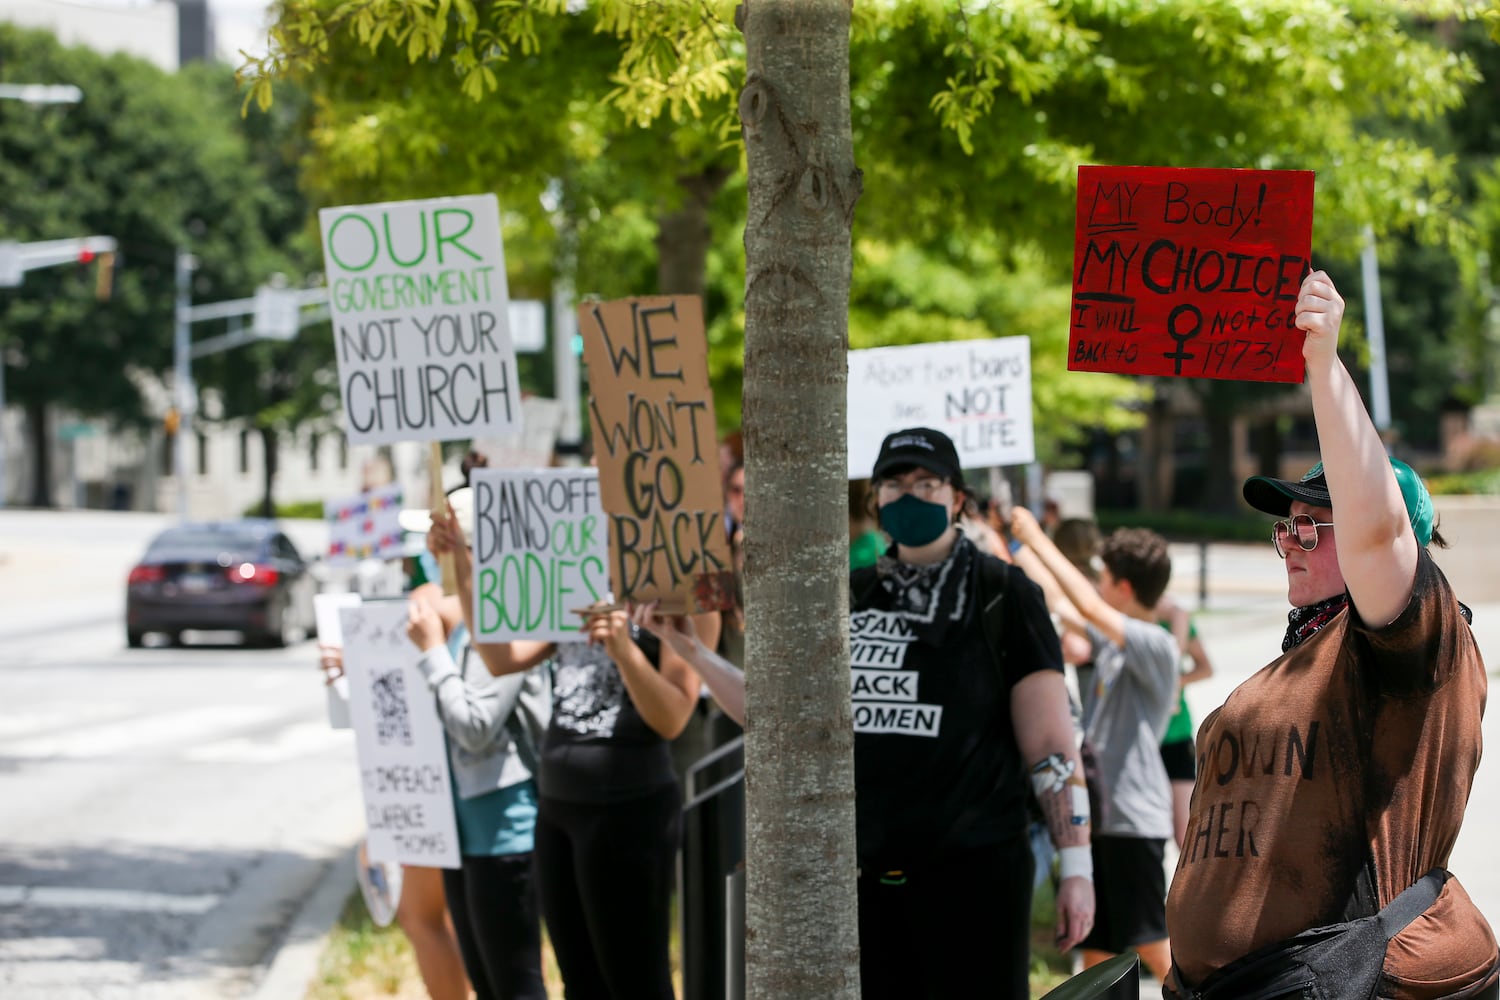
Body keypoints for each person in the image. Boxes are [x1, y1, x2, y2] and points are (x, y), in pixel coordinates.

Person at [1163, 271, 1498, 1000]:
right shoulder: (1309, 654)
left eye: (1313, 524)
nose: (1290, 541)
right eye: (1287, 525)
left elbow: (1377, 532)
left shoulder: (1415, 648)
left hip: (1344, 982)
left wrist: (1322, 363)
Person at [426, 500, 720, 1000]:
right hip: (559, 807)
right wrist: (462, 564)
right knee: (580, 983)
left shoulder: (686, 583)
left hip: (629, 808)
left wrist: (624, 650)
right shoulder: (574, 578)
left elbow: (672, 717)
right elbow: (501, 657)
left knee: (636, 981)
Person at [851, 427, 1092, 999]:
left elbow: (1052, 747)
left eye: (927, 483)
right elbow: (781, 718)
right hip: (867, 882)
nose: (910, 495)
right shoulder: (853, 595)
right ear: (875, 500)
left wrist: (1076, 869)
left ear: (958, 498)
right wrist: (690, 649)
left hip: (975, 878)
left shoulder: (1003, 594)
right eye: (895, 483)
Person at [1009, 511, 1179, 982]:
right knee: (1096, 949)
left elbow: (1083, 606)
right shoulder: (1117, 646)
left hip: (1132, 819)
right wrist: (1017, 548)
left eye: (1102, 578)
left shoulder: (1154, 645)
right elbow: (1067, 600)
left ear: (1123, 588)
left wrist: (1037, 537)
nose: (1096, 586)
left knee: (1152, 944)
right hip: (1104, 817)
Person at [405, 526, 551, 1000]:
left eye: (445, 545)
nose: (434, 556)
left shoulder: (511, 616)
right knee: (489, 985)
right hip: (461, 832)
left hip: (505, 830)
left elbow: (474, 724)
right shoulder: (460, 624)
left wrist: (430, 652)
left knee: (515, 984)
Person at [1152, 593, 1213, 849]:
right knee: (1152, 830)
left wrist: (1176, 683)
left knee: (1187, 835)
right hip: (1146, 738)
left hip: (1176, 734)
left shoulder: (1176, 621)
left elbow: (1205, 668)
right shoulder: (1128, 622)